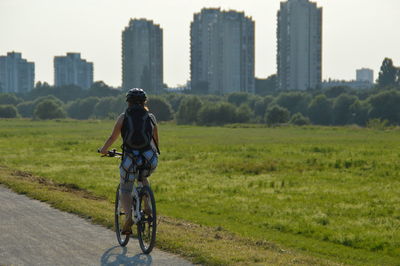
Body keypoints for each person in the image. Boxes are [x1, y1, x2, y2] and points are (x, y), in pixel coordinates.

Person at [100, 88, 159, 235]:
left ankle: (127, 218)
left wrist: (104, 150)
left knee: (125, 188)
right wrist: (151, 153)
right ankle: (147, 205)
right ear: (144, 102)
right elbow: (155, 140)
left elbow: (113, 137)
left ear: (128, 103)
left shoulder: (123, 117)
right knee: (143, 176)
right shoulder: (151, 117)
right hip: (149, 158)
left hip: (130, 158)